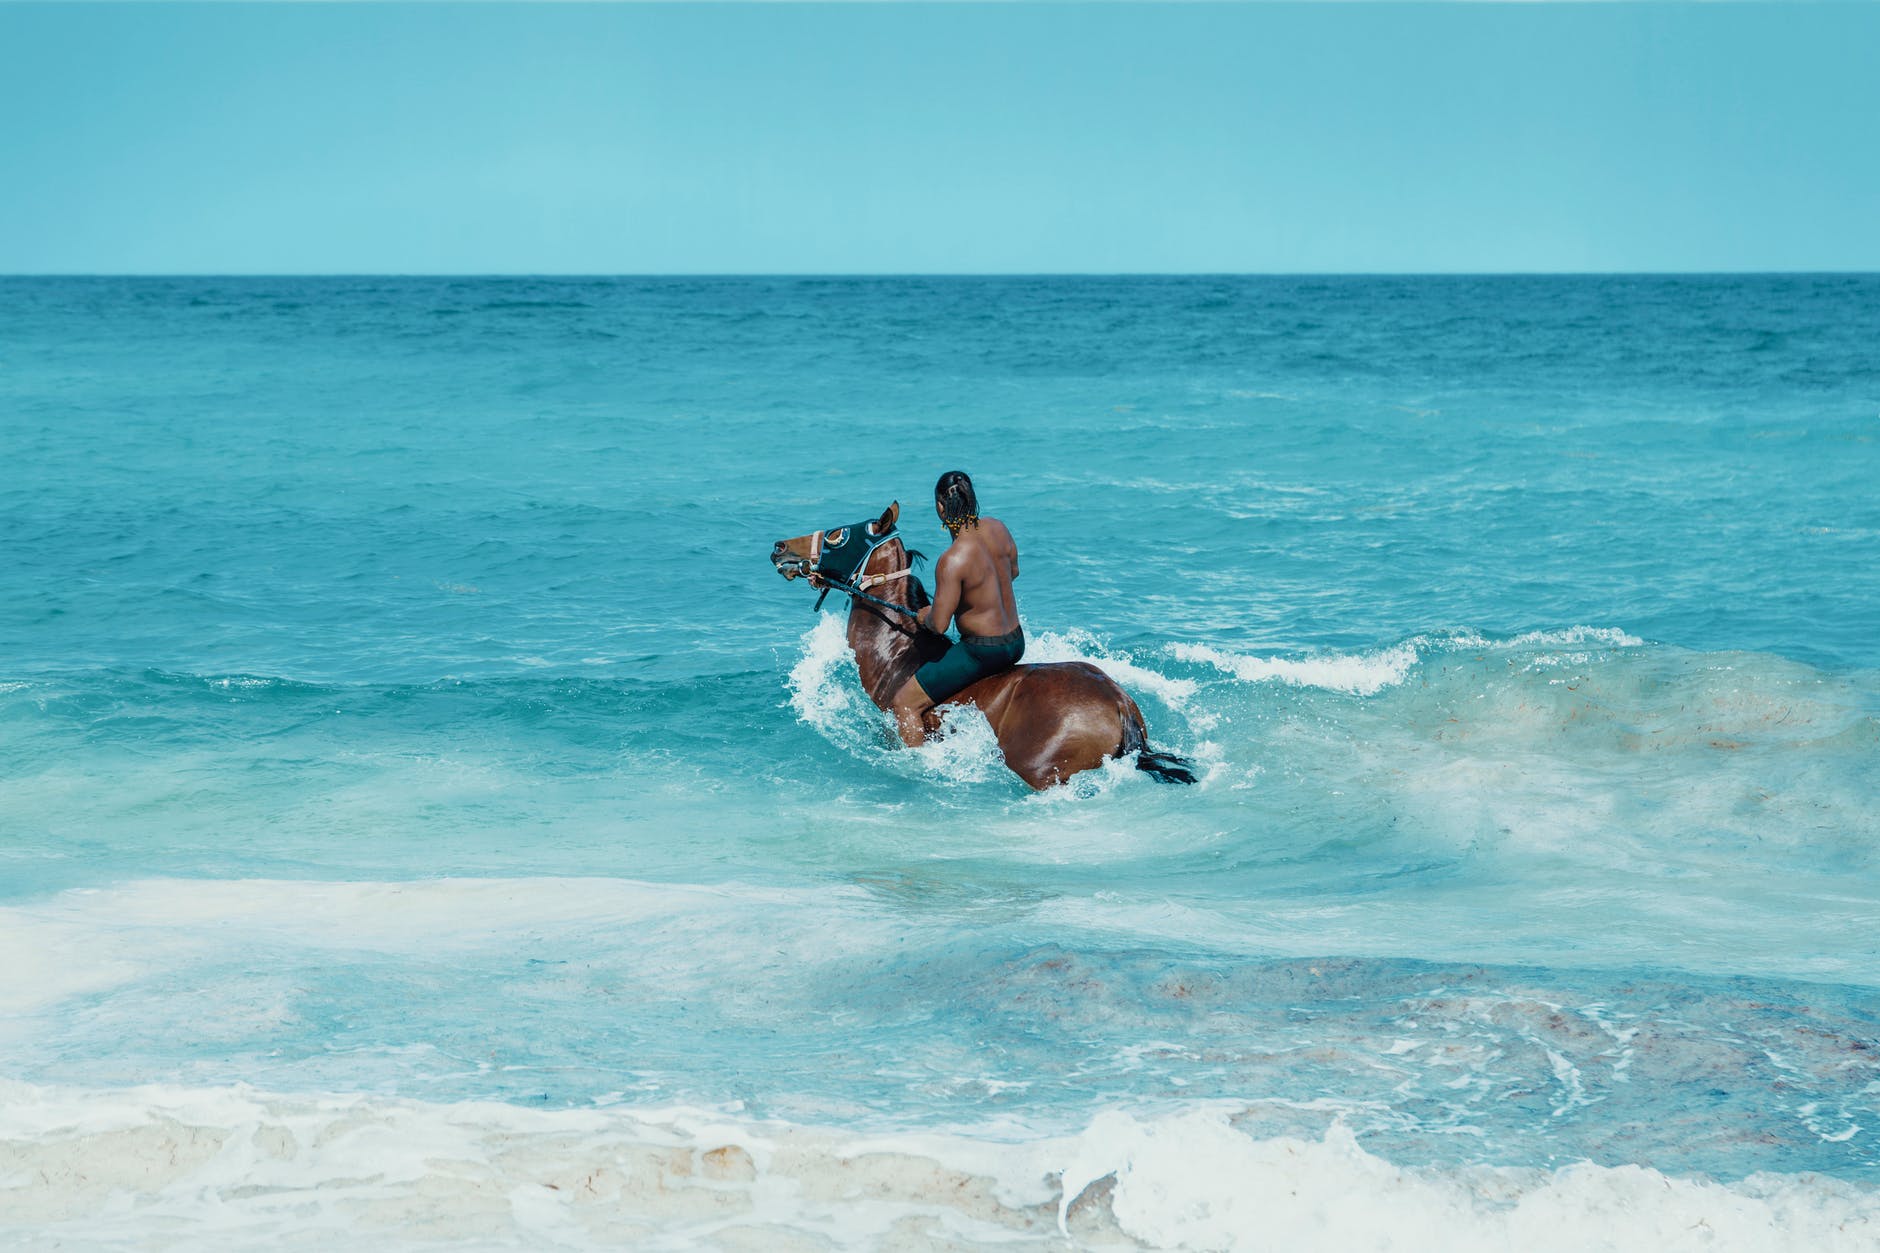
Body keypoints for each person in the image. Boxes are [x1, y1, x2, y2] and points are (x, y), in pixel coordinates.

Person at [890, 471, 1024, 746]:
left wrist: (925, 614)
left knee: (904, 703)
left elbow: (939, 625)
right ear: (972, 498)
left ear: (940, 507)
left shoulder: (952, 560)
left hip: (984, 651)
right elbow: (1013, 572)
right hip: (1016, 642)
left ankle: (916, 773)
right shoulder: (999, 528)